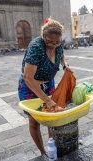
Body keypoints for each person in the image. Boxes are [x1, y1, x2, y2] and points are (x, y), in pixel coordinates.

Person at [18, 18, 70, 159]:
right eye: (49, 42)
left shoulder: (58, 44)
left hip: (49, 84)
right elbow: (28, 77)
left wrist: (65, 65)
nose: (53, 45)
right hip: (30, 86)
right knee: (34, 121)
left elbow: (61, 55)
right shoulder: (36, 47)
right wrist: (47, 100)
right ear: (43, 37)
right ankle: (43, 152)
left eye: (56, 42)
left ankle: (52, 144)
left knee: (51, 118)